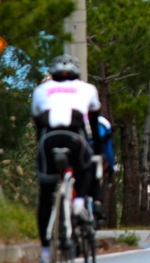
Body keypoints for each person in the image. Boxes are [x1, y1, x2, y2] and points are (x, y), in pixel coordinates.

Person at [32, 54, 102, 263]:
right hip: (75, 139)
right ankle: (79, 201)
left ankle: (45, 251)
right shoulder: (87, 89)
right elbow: (96, 124)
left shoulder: (40, 90)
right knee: (86, 167)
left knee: (46, 194)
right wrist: (97, 151)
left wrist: (41, 149)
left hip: (48, 141)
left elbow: (38, 124)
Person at [89, 115, 115, 223]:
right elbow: (108, 149)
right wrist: (111, 166)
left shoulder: (69, 115)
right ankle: (97, 203)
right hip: (97, 153)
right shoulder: (104, 122)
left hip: (77, 150)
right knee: (95, 179)